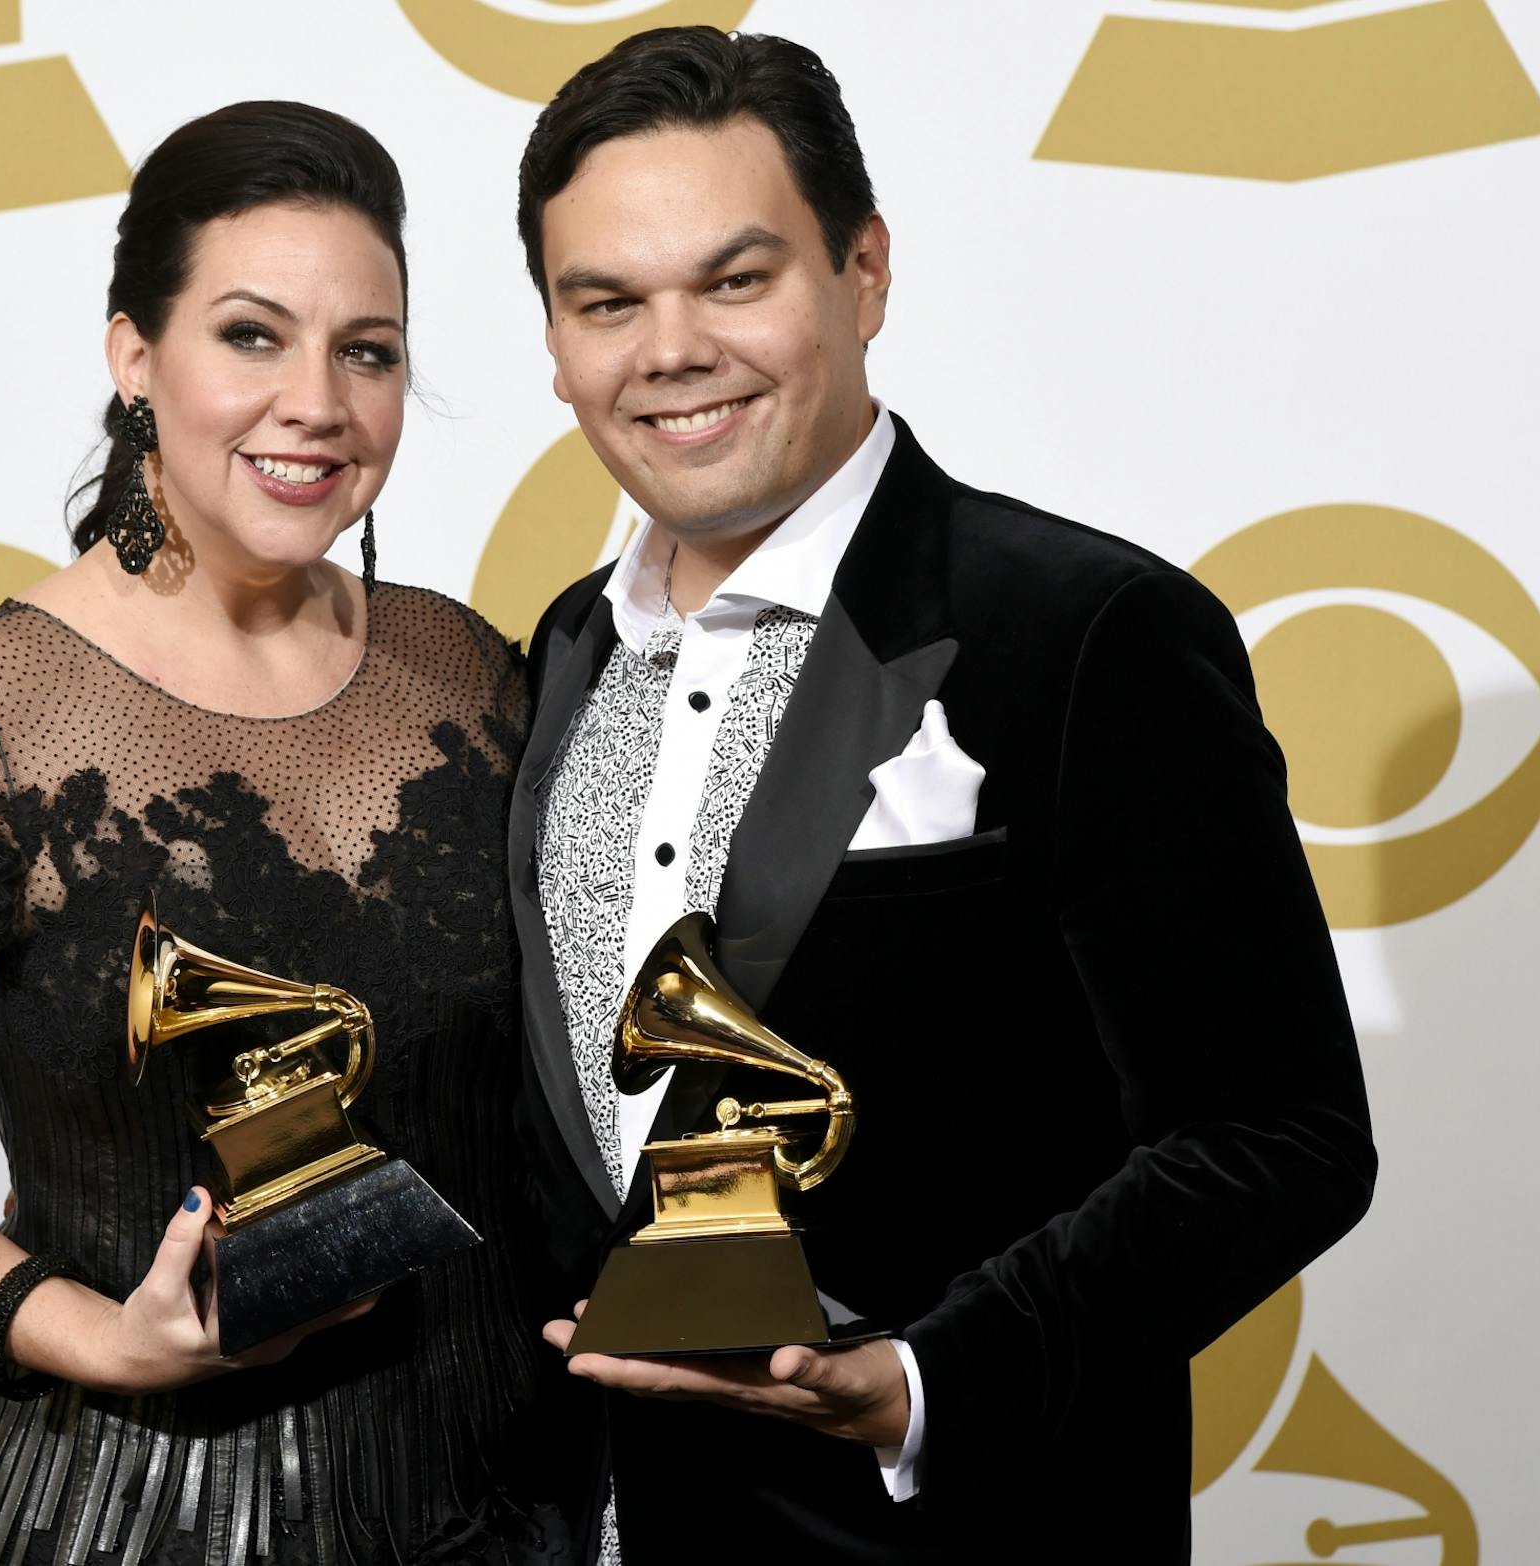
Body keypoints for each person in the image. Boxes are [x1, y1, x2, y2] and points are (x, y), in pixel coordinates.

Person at [508, 29, 1377, 1564]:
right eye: (608, 302)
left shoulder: (1087, 629)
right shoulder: (567, 649)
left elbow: (1277, 1131)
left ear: (864, 275)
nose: (671, 349)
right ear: (559, 340)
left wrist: (925, 1380)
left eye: (735, 278)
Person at [0, 101, 575, 1566]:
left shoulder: (469, 669)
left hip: (493, 1499)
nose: (317, 399)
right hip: (117, 1511)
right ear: (134, 354)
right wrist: (96, 1336)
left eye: (366, 350)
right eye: (251, 335)